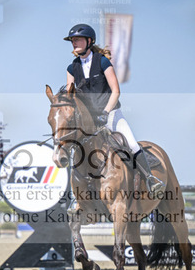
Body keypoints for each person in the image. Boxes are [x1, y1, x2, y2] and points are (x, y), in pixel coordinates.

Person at [63, 23, 165, 194]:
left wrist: (105, 112)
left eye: (78, 39)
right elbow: (70, 96)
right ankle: (76, 194)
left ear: (89, 41)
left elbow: (116, 91)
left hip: (110, 114)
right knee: (74, 148)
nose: (74, 43)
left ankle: (150, 179)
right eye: (72, 40)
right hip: (88, 120)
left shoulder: (102, 62)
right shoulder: (71, 68)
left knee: (131, 144)